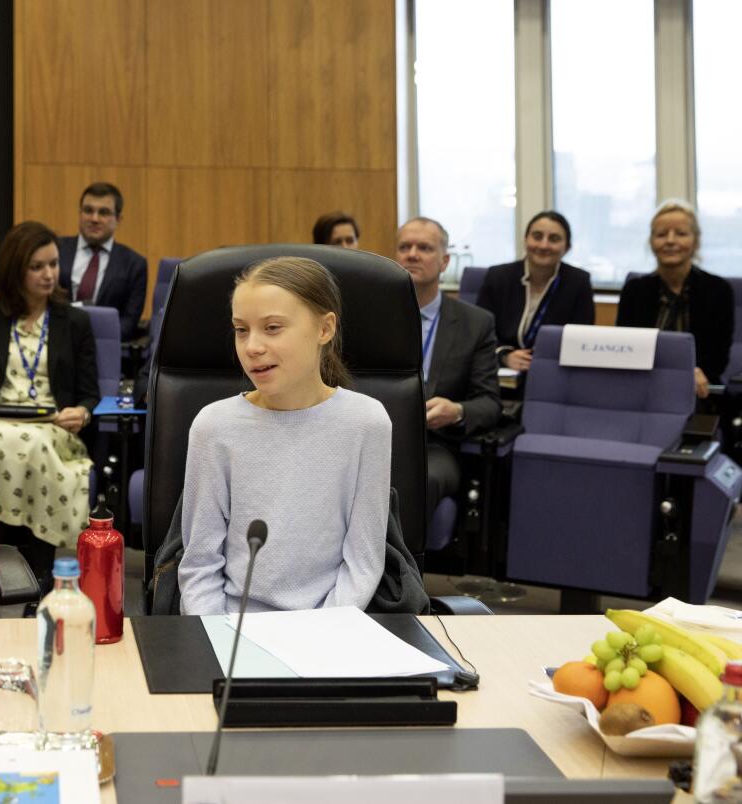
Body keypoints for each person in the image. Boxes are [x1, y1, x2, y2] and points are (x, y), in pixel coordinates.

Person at [178, 257, 392, 615]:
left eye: (273, 328)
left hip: (331, 629)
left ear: (325, 329)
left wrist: (322, 640)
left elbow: (364, 562)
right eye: (241, 330)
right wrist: (214, 638)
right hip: (232, 631)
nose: (252, 347)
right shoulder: (213, 426)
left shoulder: (367, 423)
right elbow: (199, 564)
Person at [0, 221, 99, 583]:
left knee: (30, 444)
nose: (49, 274)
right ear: (15, 270)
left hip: (51, 427)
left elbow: (89, 393)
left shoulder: (75, 321)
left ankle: (38, 569)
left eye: (53, 264)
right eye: (37, 267)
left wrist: (80, 412)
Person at [394, 217, 500, 517]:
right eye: (404, 247)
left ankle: (399, 565)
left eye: (424, 248)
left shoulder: (475, 324)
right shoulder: (370, 317)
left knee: (417, 481)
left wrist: (457, 411)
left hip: (434, 447)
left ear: (444, 261)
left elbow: (489, 402)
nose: (412, 254)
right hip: (374, 439)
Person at [617, 200, 733, 398]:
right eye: (661, 234)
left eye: (681, 233)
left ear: (695, 241)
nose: (670, 241)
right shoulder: (635, 290)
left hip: (699, 392)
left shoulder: (718, 290)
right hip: (642, 389)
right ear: (651, 242)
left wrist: (686, 376)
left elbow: (717, 360)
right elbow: (625, 350)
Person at [476, 210, 595, 371]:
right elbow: (479, 333)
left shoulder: (578, 282)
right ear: (525, 240)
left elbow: (581, 338)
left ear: (566, 247)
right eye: (537, 236)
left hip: (553, 370)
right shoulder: (498, 277)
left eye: (554, 239)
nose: (544, 245)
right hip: (501, 372)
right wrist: (503, 356)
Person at [57, 182, 148, 338]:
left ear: (118, 219)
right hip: (55, 340)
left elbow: (128, 322)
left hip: (103, 345)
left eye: (104, 212)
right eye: (88, 210)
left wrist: (90, 340)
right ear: (80, 213)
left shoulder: (134, 264)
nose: (94, 218)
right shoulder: (56, 249)